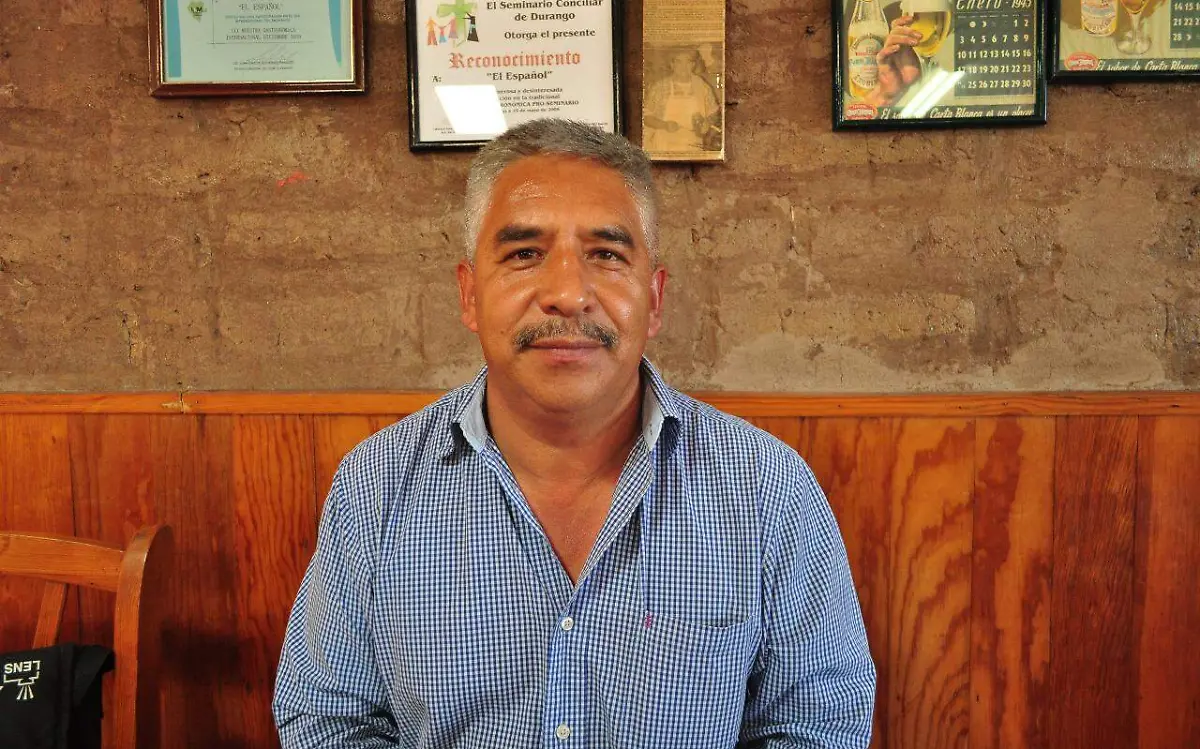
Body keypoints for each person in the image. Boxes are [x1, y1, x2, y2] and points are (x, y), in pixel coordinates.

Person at [272, 118, 876, 748]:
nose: (567, 294)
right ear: (470, 294)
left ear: (655, 298)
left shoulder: (767, 489)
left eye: (606, 255)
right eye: (524, 254)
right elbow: (330, 719)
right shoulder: (376, 486)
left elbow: (817, 725)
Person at [643, 49, 722, 153]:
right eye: (678, 62)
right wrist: (664, 125)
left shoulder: (702, 86)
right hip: (664, 144)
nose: (683, 67)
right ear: (672, 64)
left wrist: (707, 122)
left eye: (688, 62)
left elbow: (714, 113)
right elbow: (645, 117)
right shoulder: (660, 87)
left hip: (694, 144)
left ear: (693, 65)